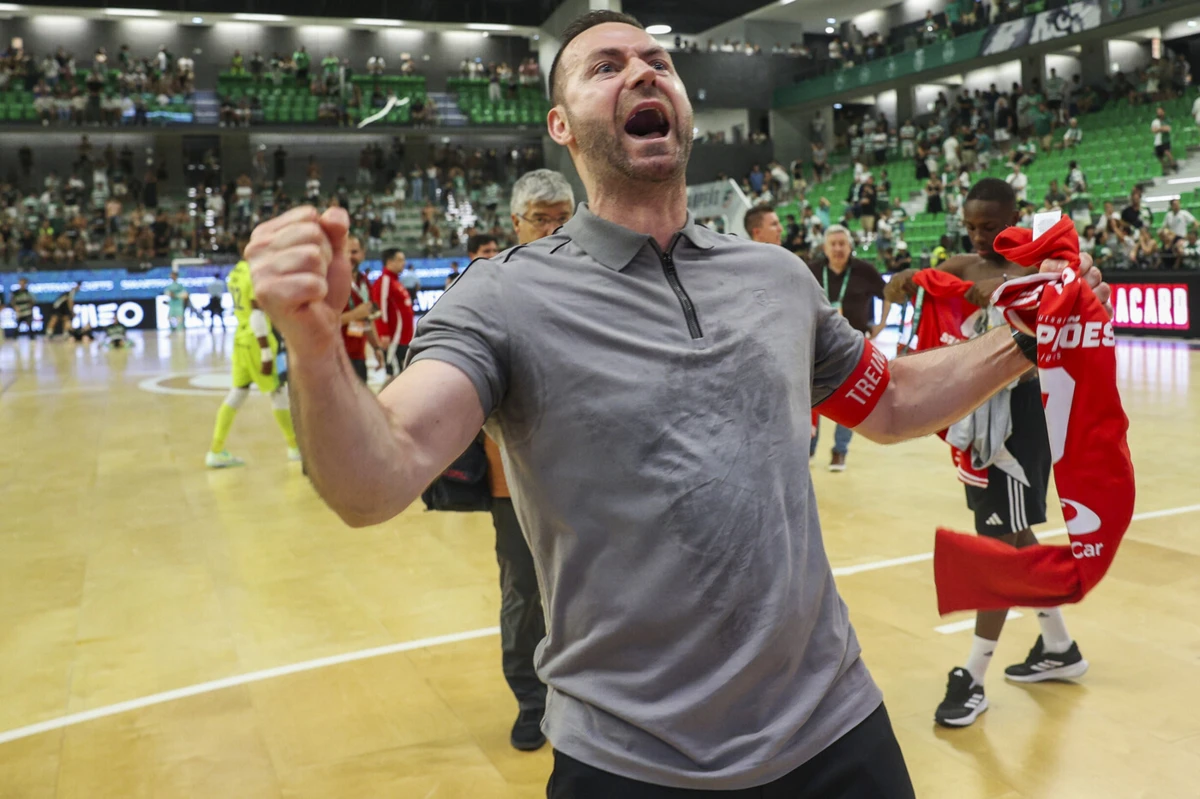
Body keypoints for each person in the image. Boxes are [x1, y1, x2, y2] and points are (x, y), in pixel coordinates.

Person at [246, 12, 1110, 795]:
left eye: (657, 59)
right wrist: (315, 347)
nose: (642, 72)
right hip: (630, 760)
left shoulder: (774, 276)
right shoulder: (501, 299)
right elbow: (378, 474)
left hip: (836, 729)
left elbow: (889, 403)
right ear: (561, 127)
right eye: (605, 66)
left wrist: (1022, 341)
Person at [886, 178, 1090, 729]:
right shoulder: (957, 264)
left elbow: (1064, 328)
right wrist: (904, 282)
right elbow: (908, 290)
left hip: (1020, 430)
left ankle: (974, 677)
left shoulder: (1040, 270)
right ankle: (1059, 646)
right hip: (975, 425)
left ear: (1016, 218)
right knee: (1012, 541)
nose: (978, 237)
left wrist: (1009, 300)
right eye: (972, 226)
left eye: (991, 227)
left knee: (996, 549)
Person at [482, 168, 577, 752]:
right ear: (516, 225)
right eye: (543, 218)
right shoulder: (489, 289)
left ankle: (589, 697)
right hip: (511, 481)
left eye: (564, 216)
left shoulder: (602, 284)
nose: (555, 228)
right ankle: (530, 700)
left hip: (592, 475)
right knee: (524, 594)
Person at [205, 248, 300, 469]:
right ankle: (294, 447)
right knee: (277, 393)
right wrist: (266, 353)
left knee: (237, 393)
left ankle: (216, 450)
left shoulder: (236, 272)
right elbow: (257, 312)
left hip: (241, 338)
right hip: (259, 339)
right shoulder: (257, 275)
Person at [808, 224, 890, 472]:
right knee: (813, 398)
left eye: (842, 244)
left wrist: (882, 324)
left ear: (850, 246)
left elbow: (887, 293)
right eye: (833, 244)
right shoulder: (812, 270)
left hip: (854, 346)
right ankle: (809, 450)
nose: (838, 248)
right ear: (825, 248)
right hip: (817, 345)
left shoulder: (864, 271)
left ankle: (839, 451)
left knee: (848, 400)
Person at [340, 234, 383, 384]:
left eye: (354, 252)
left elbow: (367, 320)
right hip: (336, 358)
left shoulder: (363, 281)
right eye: (345, 252)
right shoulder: (331, 281)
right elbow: (322, 323)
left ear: (363, 254)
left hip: (358, 356)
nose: (349, 257)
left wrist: (376, 347)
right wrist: (354, 314)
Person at [370, 248, 415, 378]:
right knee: (395, 376)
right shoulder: (385, 281)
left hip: (404, 338)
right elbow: (381, 309)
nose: (404, 263)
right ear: (390, 262)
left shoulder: (395, 282)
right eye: (400, 260)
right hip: (394, 340)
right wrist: (383, 333)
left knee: (404, 373)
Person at [1151, 106, 1176, 175]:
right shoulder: (1155, 121)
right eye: (1158, 112)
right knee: (1160, 157)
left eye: (1160, 111)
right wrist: (1161, 128)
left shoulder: (1167, 120)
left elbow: (1167, 128)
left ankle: (1173, 165)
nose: (1159, 113)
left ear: (1163, 112)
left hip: (1165, 140)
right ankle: (1164, 170)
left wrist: (1158, 129)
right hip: (1157, 142)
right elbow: (1153, 130)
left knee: (1167, 152)